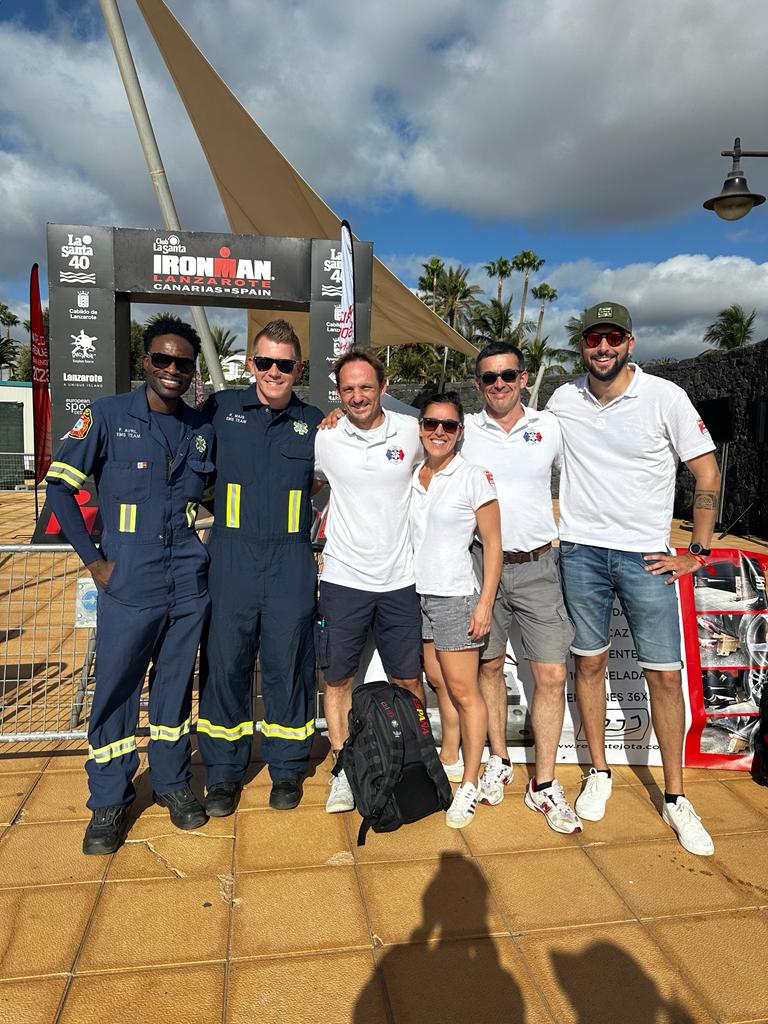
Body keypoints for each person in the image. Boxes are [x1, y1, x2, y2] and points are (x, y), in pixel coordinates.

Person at [547, 301, 721, 856]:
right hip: (580, 552)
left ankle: (674, 797)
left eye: (613, 338)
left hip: (645, 556)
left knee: (664, 677)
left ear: (630, 342)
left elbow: (706, 470)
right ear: (582, 345)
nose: (603, 348)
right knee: (590, 662)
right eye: (594, 339)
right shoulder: (562, 398)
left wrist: (697, 550)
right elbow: (513, 437)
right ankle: (599, 770)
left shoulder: (665, 397)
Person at [46, 316, 214, 854]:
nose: (172, 370)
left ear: (191, 372)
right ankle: (109, 802)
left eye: (182, 363)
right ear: (145, 361)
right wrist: (95, 562)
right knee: (117, 688)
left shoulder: (198, 429)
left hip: (186, 575)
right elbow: (59, 489)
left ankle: (170, 785)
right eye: (162, 359)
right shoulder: (107, 415)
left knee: (172, 687)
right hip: (128, 577)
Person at [197, 320, 323, 813]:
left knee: (287, 665)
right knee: (225, 665)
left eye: (284, 365)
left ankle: (288, 768)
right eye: (265, 362)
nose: (274, 371)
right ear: (251, 364)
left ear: (298, 369)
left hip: (290, 559)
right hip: (230, 557)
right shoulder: (220, 409)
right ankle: (224, 773)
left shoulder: (315, 421)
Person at [460, 342, 581, 834]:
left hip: (538, 566)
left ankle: (545, 784)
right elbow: (403, 422)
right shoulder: (464, 429)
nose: (500, 384)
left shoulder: (549, 426)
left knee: (551, 675)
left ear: (525, 377)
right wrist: (337, 415)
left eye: (508, 374)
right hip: (479, 566)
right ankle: (500, 759)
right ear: (478, 385)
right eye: (489, 378)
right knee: (488, 666)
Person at [314, 349, 424, 813]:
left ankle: (414, 763)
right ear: (338, 393)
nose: (357, 396)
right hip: (343, 578)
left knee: (408, 679)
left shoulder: (413, 430)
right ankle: (343, 769)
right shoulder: (326, 436)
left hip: (402, 580)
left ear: (383, 387)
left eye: (365, 387)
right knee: (337, 679)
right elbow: (311, 484)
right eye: (347, 389)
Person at [411, 393, 502, 828]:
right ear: (421, 427)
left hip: (456, 597)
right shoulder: (415, 475)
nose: (439, 432)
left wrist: (485, 602)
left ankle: (470, 781)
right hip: (420, 595)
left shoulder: (474, 477)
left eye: (449, 425)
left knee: (465, 692)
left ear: (460, 431)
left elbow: (493, 545)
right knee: (438, 682)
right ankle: (449, 754)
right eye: (432, 423)